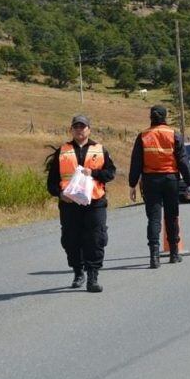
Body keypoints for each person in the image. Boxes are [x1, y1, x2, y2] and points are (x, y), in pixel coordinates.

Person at [46, 115, 116, 293]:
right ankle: (78, 272)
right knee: (71, 240)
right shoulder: (62, 151)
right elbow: (52, 182)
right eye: (76, 127)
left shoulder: (100, 150)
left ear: (89, 129)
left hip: (95, 203)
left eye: (83, 126)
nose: (79, 129)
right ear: (72, 130)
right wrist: (61, 195)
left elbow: (110, 173)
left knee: (95, 238)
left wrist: (93, 173)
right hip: (70, 205)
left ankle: (93, 276)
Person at [129, 105, 190, 269]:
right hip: (170, 179)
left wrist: (132, 185)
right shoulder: (173, 134)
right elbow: (183, 161)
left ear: (150, 117)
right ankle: (174, 253)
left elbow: (136, 163)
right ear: (165, 117)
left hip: (150, 181)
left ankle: (154, 257)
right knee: (172, 217)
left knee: (154, 218)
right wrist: (189, 183)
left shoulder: (143, 136)